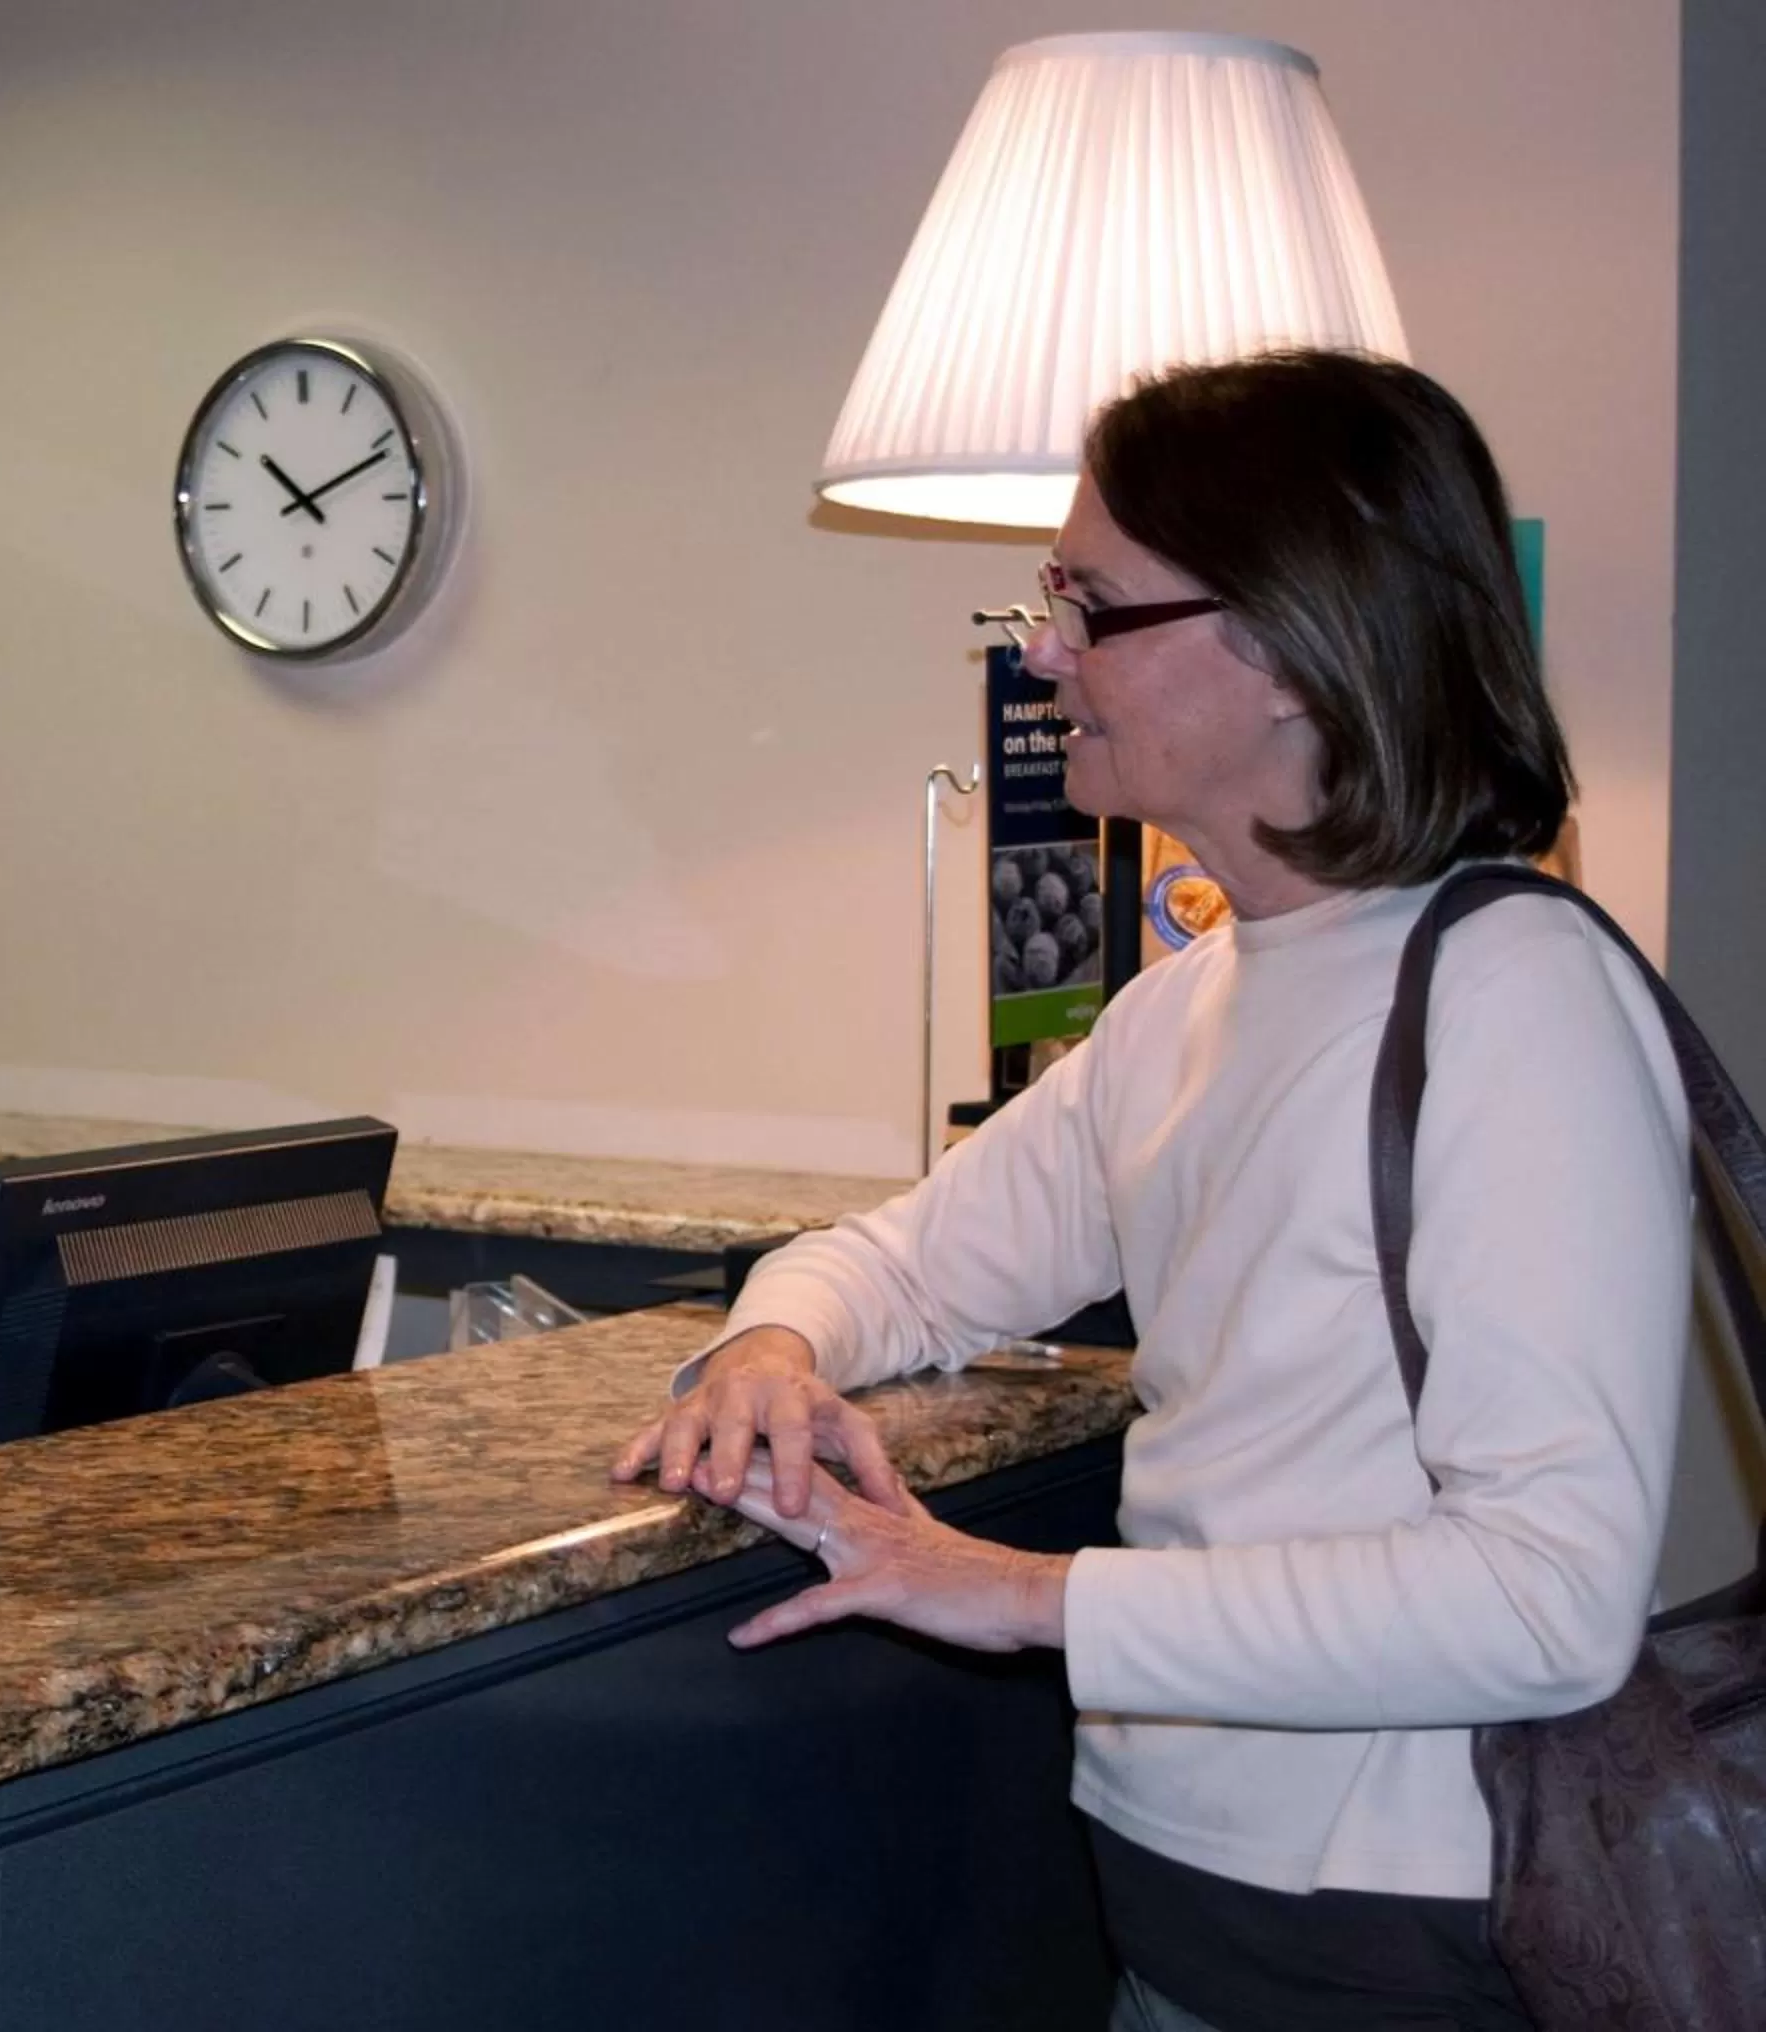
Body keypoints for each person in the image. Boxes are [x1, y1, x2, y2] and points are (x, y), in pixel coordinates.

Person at [613, 351, 1693, 2030]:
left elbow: (1544, 1597)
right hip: (1185, 1921)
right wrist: (771, 1349)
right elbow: (905, 1260)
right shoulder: (1190, 1005)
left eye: (1086, 603)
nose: (1042, 650)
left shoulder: (1514, 997)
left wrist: (1027, 1594)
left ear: (1282, 644)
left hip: (1398, 1952)